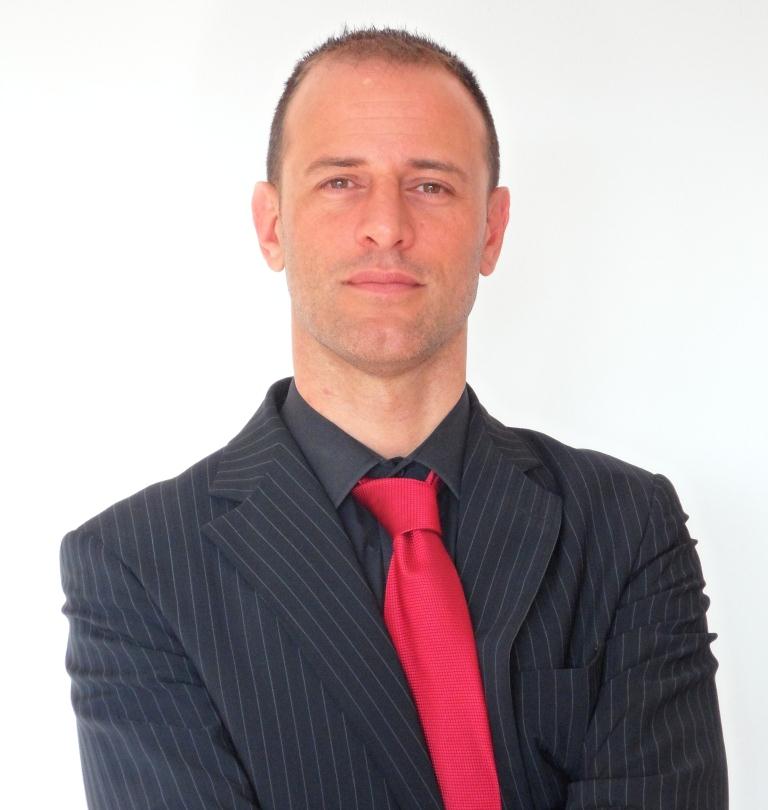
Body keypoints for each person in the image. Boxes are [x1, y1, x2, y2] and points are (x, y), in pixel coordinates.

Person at [60, 27, 728, 810]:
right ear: (272, 225)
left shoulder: (628, 527)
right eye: (342, 181)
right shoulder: (138, 566)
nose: (386, 225)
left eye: (431, 185)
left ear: (491, 230)